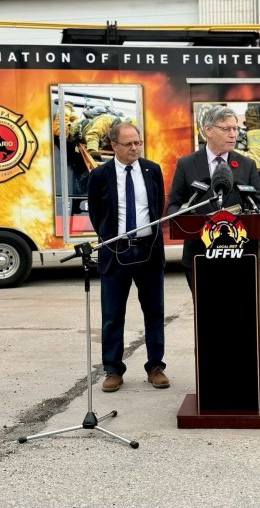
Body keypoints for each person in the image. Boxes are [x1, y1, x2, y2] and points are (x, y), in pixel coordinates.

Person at [87, 121, 169, 391]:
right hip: (116, 253)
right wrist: (111, 239)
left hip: (148, 251)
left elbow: (158, 207)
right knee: (112, 314)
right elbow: (96, 215)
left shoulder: (151, 170)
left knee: (154, 312)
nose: (135, 148)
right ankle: (113, 370)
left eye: (138, 142)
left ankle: (155, 366)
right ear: (114, 146)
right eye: (129, 144)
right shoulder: (100, 175)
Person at [167, 104, 260, 290]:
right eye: (226, 129)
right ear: (208, 130)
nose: (233, 134)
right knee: (206, 317)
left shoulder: (247, 164)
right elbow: (174, 205)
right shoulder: (186, 164)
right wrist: (187, 217)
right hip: (199, 255)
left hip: (239, 256)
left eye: (235, 128)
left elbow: (257, 205)